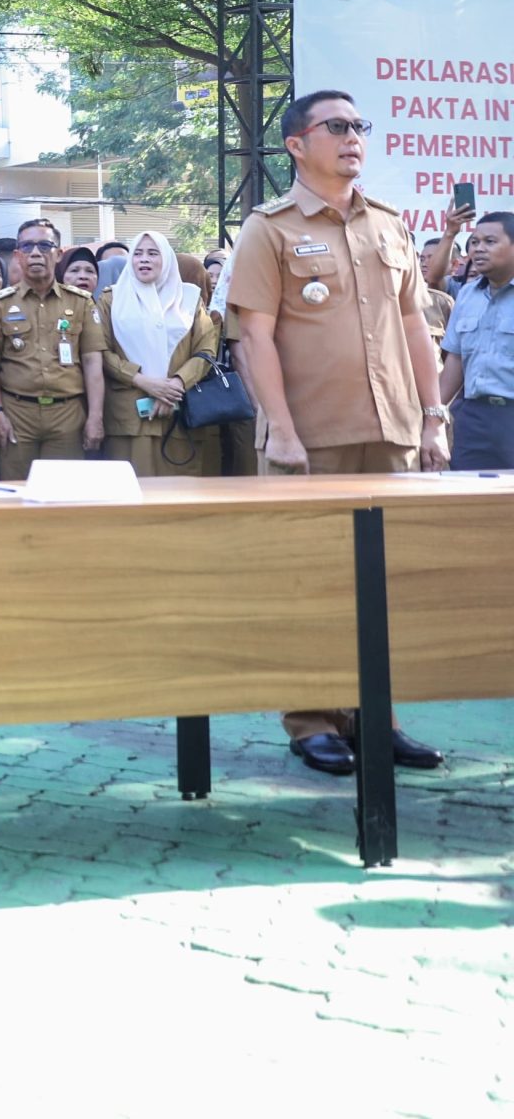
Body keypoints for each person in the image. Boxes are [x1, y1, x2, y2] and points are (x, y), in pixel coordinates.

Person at [228, 89, 449, 779]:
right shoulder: (269, 228)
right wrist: (282, 430)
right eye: (337, 126)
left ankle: (374, 716)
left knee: (385, 583)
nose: (353, 137)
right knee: (308, 578)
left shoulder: (388, 224)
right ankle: (312, 719)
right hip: (311, 438)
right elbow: (251, 338)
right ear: (297, 143)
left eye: (359, 126)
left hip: (392, 432)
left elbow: (416, 325)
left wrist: (434, 414)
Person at [0, 218, 108, 479]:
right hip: (16, 413)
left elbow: (92, 363)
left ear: (58, 253)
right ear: (18, 256)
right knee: (16, 496)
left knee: (64, 497)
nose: (36, 253)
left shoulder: (81, 303)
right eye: (27, 247)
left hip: (68, 415)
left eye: (44, 245)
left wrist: (95, 417)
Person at [99, 233, 222, 478]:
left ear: (166, 259)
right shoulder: (111, 299)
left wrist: (176, 384)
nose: (144, 259)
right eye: (138, 253)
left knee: (180, 498)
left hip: (180, 412)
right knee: (132, 496)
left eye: (153, 253)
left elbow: (206, 350)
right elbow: (101, 352)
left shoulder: (189, 298)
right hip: (130, 416)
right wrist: (144, 381)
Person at [439, 211, 513, 471]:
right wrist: (433, 415)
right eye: (474, 242)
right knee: (468, 502)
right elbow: (456, 359)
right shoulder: (468, 294)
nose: (479, 249)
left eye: (490, 242)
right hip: (474, 418)